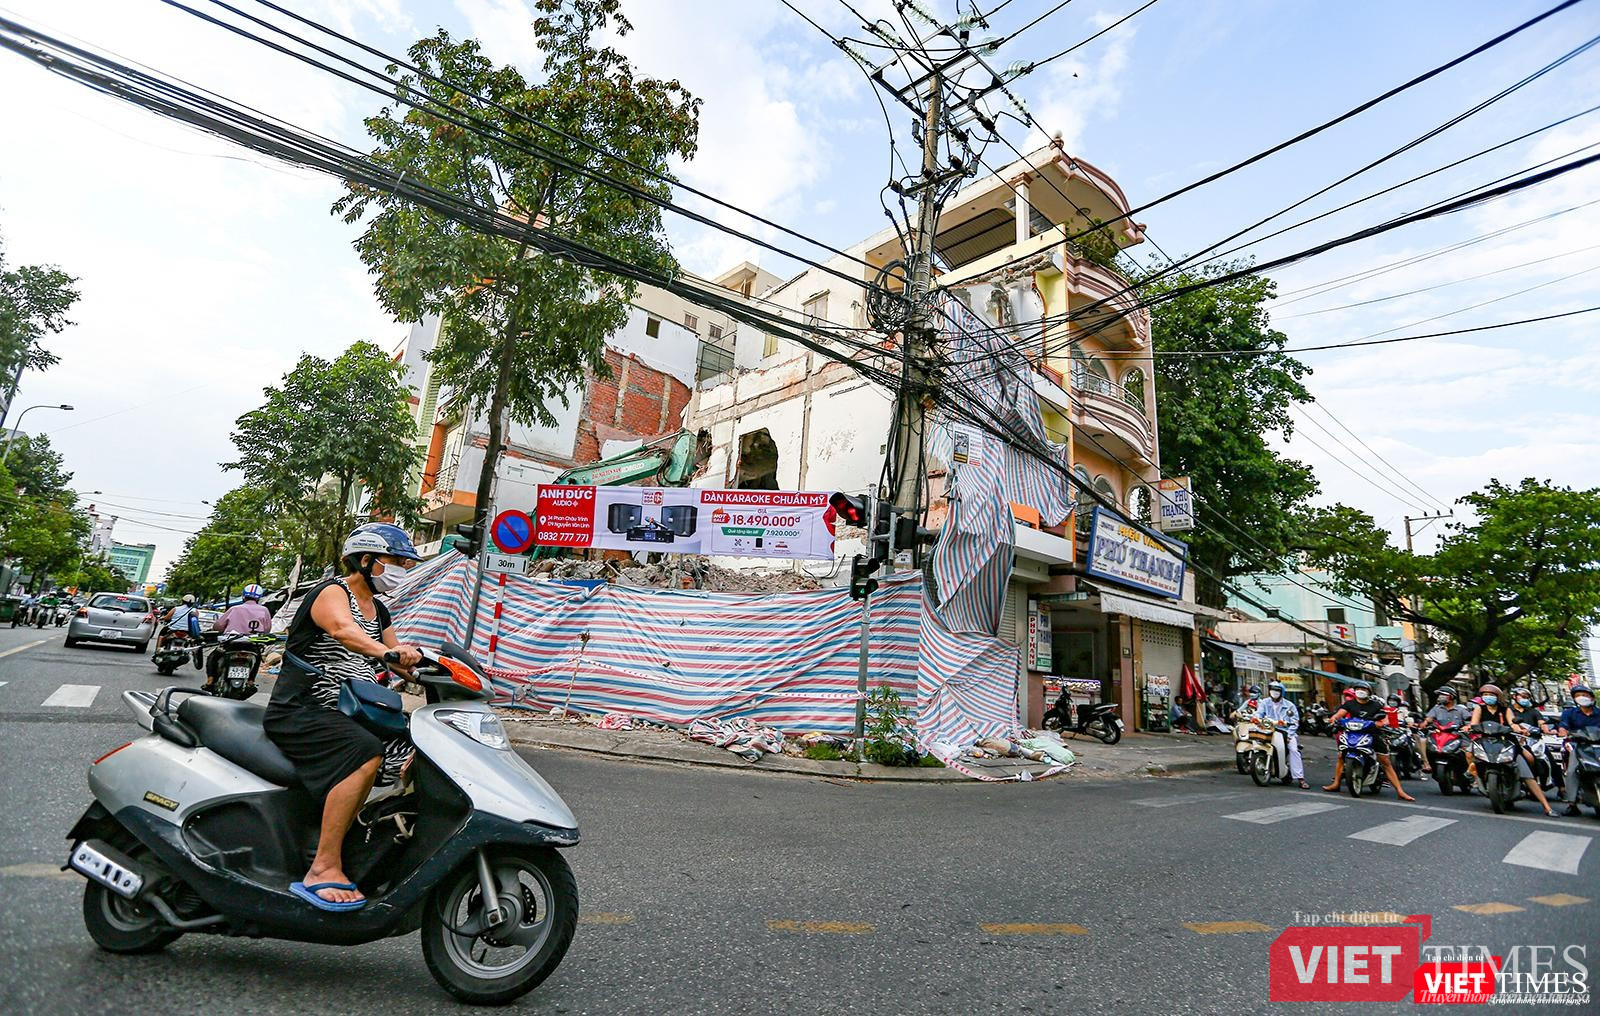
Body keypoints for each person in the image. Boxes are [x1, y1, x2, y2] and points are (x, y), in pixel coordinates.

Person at [263, 524, 423, 912]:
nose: (402, 568)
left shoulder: (379, 608)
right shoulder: (334, 592)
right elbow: (343, 631)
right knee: (366, 752)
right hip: (303, 710)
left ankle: (357, 842)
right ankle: (322, 866)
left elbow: (398, 656)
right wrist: (388, 655)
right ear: (366, 560)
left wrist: (434, 671)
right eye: (396, 561)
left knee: (416, 749)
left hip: (350, 711)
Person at [1466, 682, 1554, 816]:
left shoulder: (1505, 709)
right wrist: (1470, 727)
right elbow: (1474, 723)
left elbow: (1513, 723)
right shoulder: (1479, 708)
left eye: (1491, 695)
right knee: (1469, 752)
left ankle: (1547, 807)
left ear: (1498, 697)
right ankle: (1475, 775)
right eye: (1485, 695)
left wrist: (1520, 730)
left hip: (1507, 742)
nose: (1488, 697)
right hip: (1485, 742)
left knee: (1527, 765)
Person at [1321, 686, 1417, 801]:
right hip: (1353, 734)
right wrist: (1334, 719)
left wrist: (1380, 724)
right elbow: (1338, 715)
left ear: (1369, 692)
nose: (1360, 691)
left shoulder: (1376, 705)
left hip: (1373, 734)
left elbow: (1385, 719)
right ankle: (1336, 783)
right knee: (1341, 756)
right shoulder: (1349, 704)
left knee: (1385, 762)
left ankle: (1400, 791)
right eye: (1358, 689)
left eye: (1364, 689)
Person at [205, 585, 276, 688]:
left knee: (213, 657)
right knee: (257, 658)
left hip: (232, 643)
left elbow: (218, 626)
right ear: (258, 598)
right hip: (252, 645)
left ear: (243, 596)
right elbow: (267, 629)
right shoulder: (264, 610)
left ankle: (210, 680)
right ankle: (251, 681)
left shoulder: (234, 608)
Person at [1254, 680, 1310, 789]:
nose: (1274, 692)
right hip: (1269, 730)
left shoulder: (1290, 706)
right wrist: (1256, 719)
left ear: (1282, 692)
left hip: (1286, 732)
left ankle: (1300, 779)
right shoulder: (1265, 702)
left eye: (1277, 690)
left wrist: (1289, 735)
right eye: (1272, 690)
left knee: (1294, 750)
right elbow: (1258, 714)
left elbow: (1294, 722)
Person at [1556, 685, 1600, 817]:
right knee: (1571, 771)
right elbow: (1563, 727)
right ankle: (1572, 804)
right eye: (1578, 696)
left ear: (1592, 698)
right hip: (1578, 745)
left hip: (1598, 746)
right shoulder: (1569, 713)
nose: (1582, 698)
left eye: (1585, 695)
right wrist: (1563, 732)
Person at [1418, 688, 1467, 775]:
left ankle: (1470, 773)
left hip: (1457, 736)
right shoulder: (1436, 709)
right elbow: (1429, 718)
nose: (1441, 697)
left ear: (1452, 697)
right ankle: (1426, 763)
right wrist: (1425, 723)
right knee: (1424, 741)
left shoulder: (1461, 710)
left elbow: (1469, 721)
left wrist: (1467, 726)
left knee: (1468, 750)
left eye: (1444, 695)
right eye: (1440, 695)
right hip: (1439, 735)